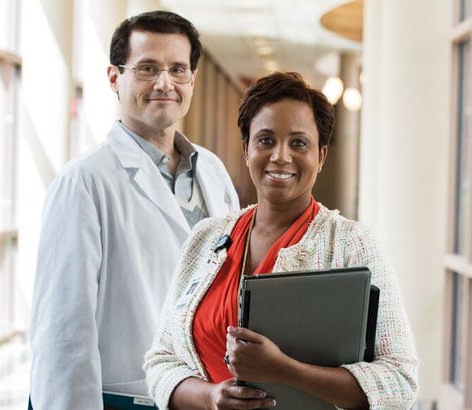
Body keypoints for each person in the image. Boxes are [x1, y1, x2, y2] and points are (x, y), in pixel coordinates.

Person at [144, 72, 419, 409]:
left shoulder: (352, 244)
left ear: (321, 155)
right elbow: (161, 361)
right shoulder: (206, 238)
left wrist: (284, 370)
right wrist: (212, 396)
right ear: (246, 150)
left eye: (299, 143)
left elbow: (400, 382)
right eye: (266, 140)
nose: (281, 156)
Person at [29, 10, 240, 409]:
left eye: (178, 69)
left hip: (207, 394)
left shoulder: (212, 172)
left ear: (192, 81)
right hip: (129, 398)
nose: (165, 83)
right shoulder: (84, 183)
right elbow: (63, 333)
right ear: (115, 78)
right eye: (147, 68)